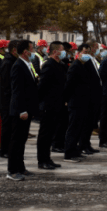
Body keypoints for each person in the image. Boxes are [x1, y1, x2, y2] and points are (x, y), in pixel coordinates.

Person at [65, 43, 104, 161]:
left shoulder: (84, 64)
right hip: (76, 102)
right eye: (84, 52)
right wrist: (66, 100)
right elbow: (69, 85)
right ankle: (69, 153)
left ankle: (76, 150)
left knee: (81, 126)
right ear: (79, 53)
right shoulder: (75, 66)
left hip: (85, 101)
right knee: (74, 128)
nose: (86, 54)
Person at [7, 40, 39, 181]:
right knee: (16, 141)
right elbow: (17, 90)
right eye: (32, 49)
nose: (33, 52)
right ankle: (12, 170)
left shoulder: (27, 64)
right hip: (20, 110)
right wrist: (21, 110)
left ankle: (20, 167)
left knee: (22, 140)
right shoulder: (18, 66)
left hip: (27, 108)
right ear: (26, 52)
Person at [36, 41, 68, 170]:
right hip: (49, 105)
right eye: (61, 50)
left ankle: (47, 158)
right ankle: (42, 160)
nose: (63, 52)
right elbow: (42, 87)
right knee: (45, 134)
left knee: (50, 134)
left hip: (57, 105)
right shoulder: (49, 65)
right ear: (55, 52)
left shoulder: (58, 64)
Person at [0, 40, 18, 160]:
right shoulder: (7, 63)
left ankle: (7, 149)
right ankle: (4, 150)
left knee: (10, 126)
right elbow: (6, 84)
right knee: (7, 126)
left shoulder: (11, 61)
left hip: (9, 98)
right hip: (7, 99)